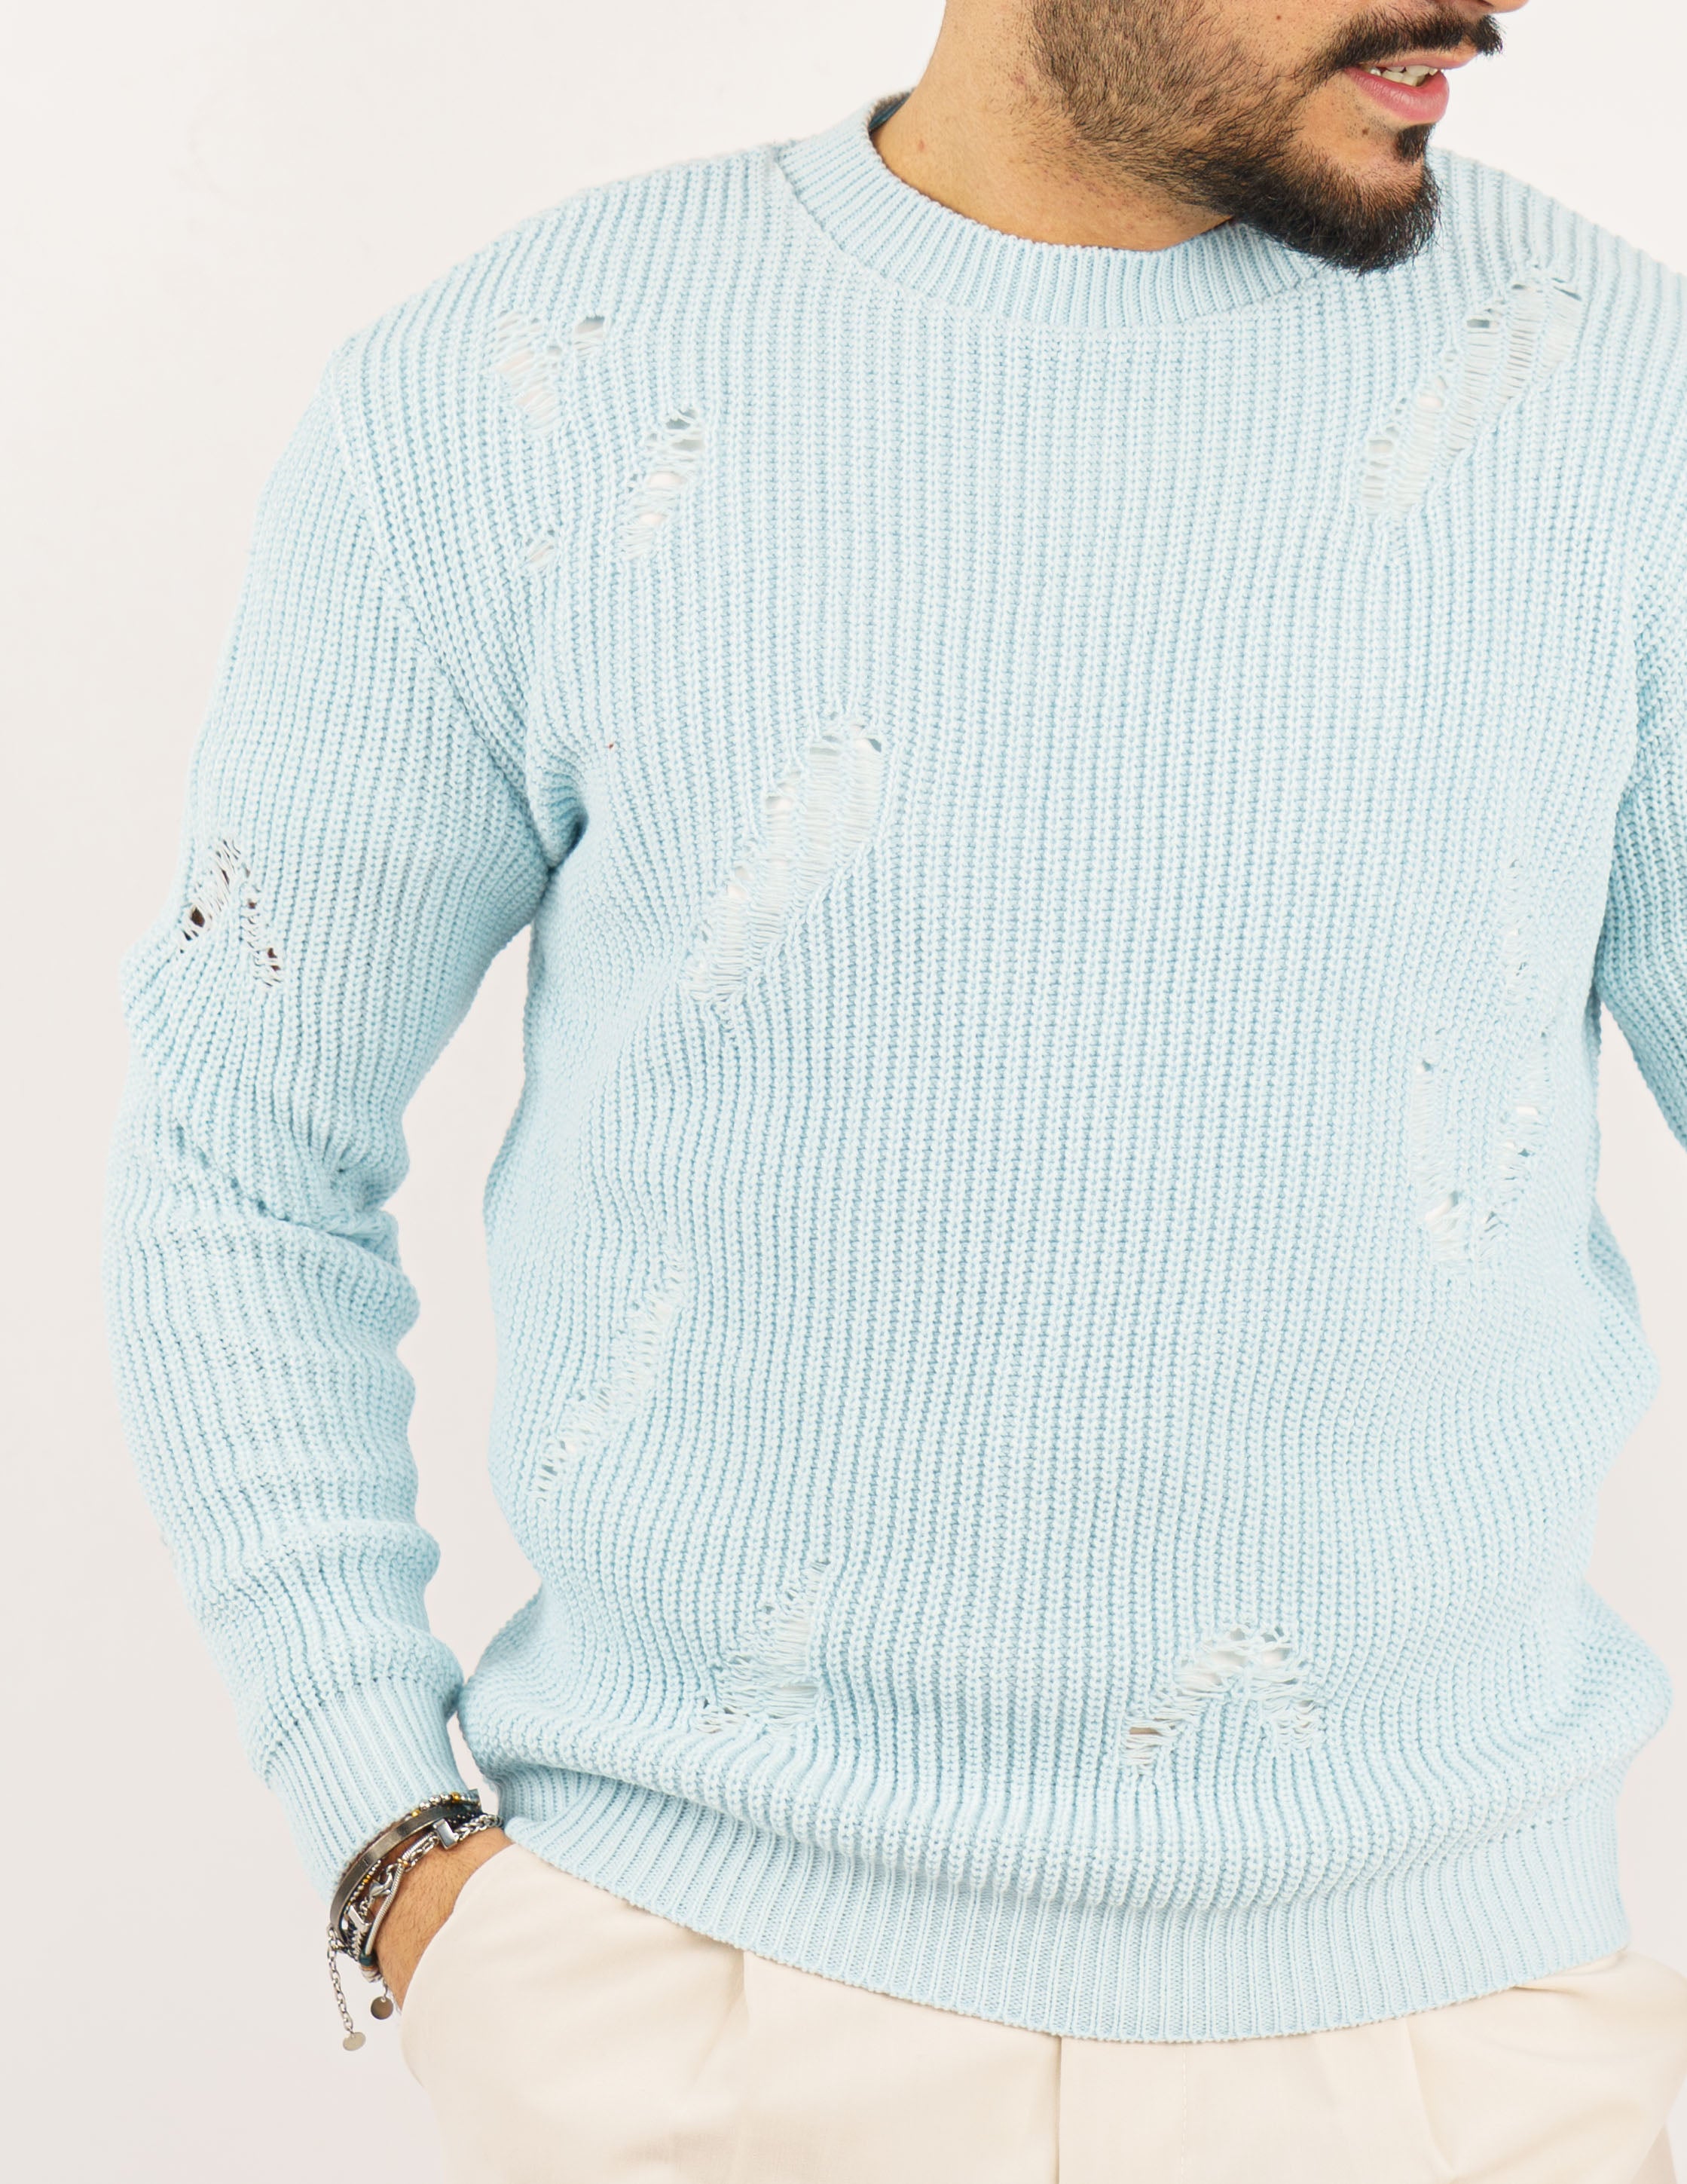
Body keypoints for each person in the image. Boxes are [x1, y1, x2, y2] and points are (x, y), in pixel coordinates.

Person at [102, 1, 1687, 2176]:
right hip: (701, 2021)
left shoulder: (1622, 400)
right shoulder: (525, 390)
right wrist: (386, 1835)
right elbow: (240, 1151)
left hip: (1457, 2055)